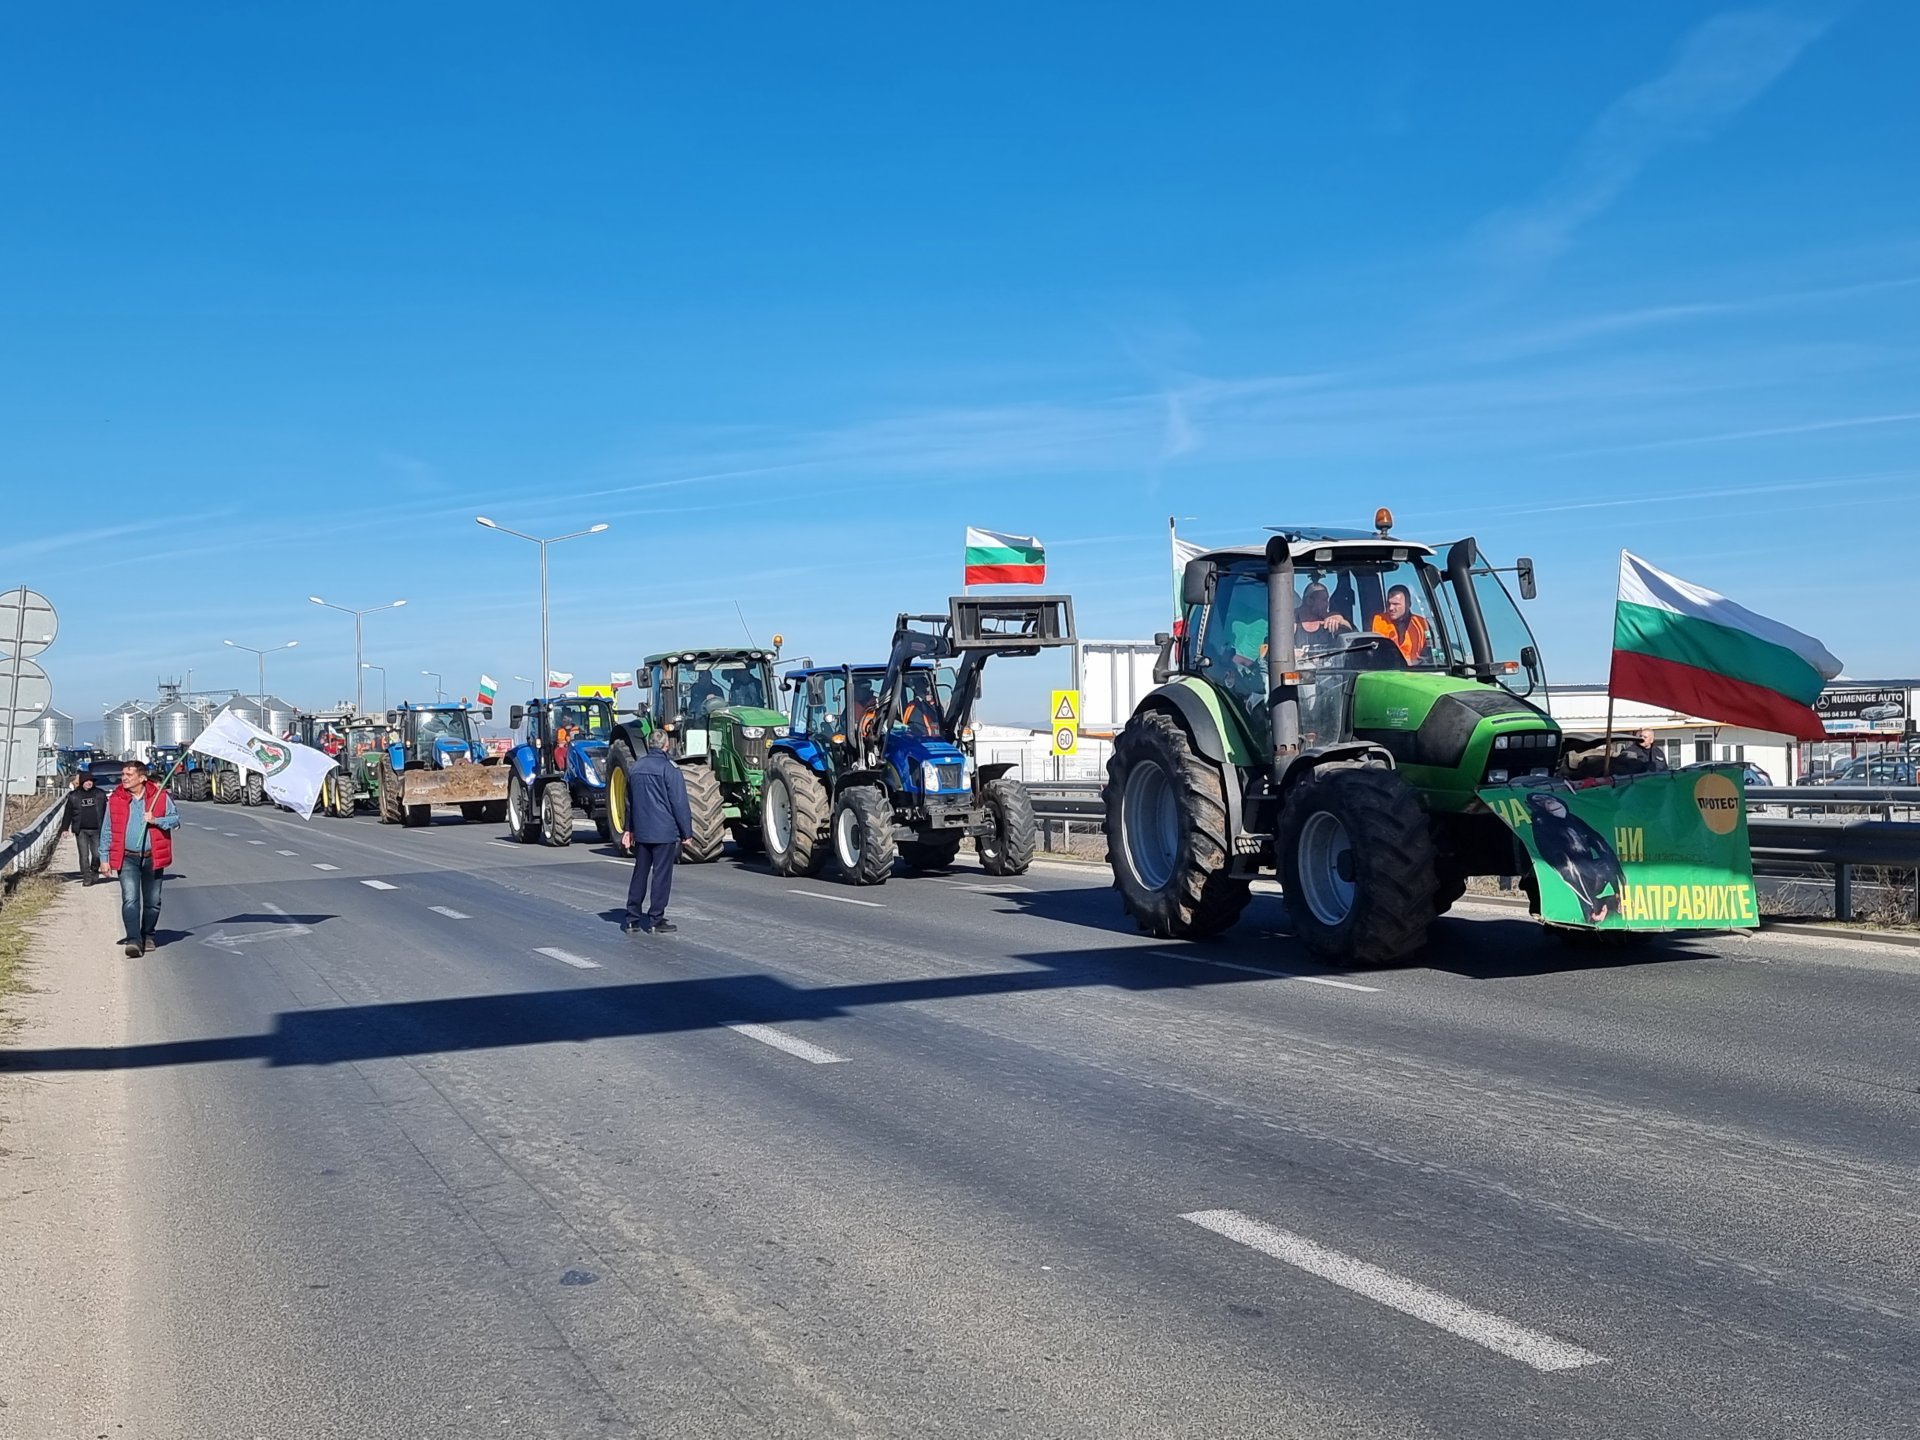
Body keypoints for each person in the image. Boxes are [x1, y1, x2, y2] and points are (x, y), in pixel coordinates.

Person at [98, 759, 181, 958]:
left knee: (153, 901)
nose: (123, 778)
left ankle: (148, 935)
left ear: (142, 778)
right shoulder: (116, 799)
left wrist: (155, 820)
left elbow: (175, 819)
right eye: (123, 774)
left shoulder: (159, 797)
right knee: (130, 899)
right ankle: (133, 939)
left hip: (152, 858)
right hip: (127, 858)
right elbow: (107, 829)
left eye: (129, 775)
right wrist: (104, 858)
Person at [620, 729, 692, 935]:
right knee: (661, 875)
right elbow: (679, 803)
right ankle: (655, 919)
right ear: (666, 745)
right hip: (664, 832)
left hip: (642, 831)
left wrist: (629, 829)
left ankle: (632, 918)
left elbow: (629, 803)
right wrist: (686, 832)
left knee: (640, 873)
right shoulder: (670, 769)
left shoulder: (636, 768)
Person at [1370, 584, 1430, 664]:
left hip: (1416, 672)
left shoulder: (1422, 624)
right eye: (1389, 604)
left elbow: (1431, 654)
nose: (1391, 608)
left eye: (1396, 604)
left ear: (1408, 604)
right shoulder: (1377, 621)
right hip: (1386, 671)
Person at [68, 770, 108, 885]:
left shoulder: (100, 794)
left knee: (97, 854)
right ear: (81, 783)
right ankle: (86, 877)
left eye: (90, 781)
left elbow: (107, 811)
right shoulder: (74, 796)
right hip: (81, 830)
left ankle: (94, 871)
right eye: (86, 781)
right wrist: (64, 829)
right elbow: (68, 812)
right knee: (84, 855)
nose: (89, 783)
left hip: (97, 829)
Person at [1294, 581, 1352, 655]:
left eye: (1327, 600)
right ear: (1309, 601)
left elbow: (1352, 637)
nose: (1327, 604)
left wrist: (1341, 621)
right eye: (1324, 600)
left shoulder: (1332, 620)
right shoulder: (1292, 621)